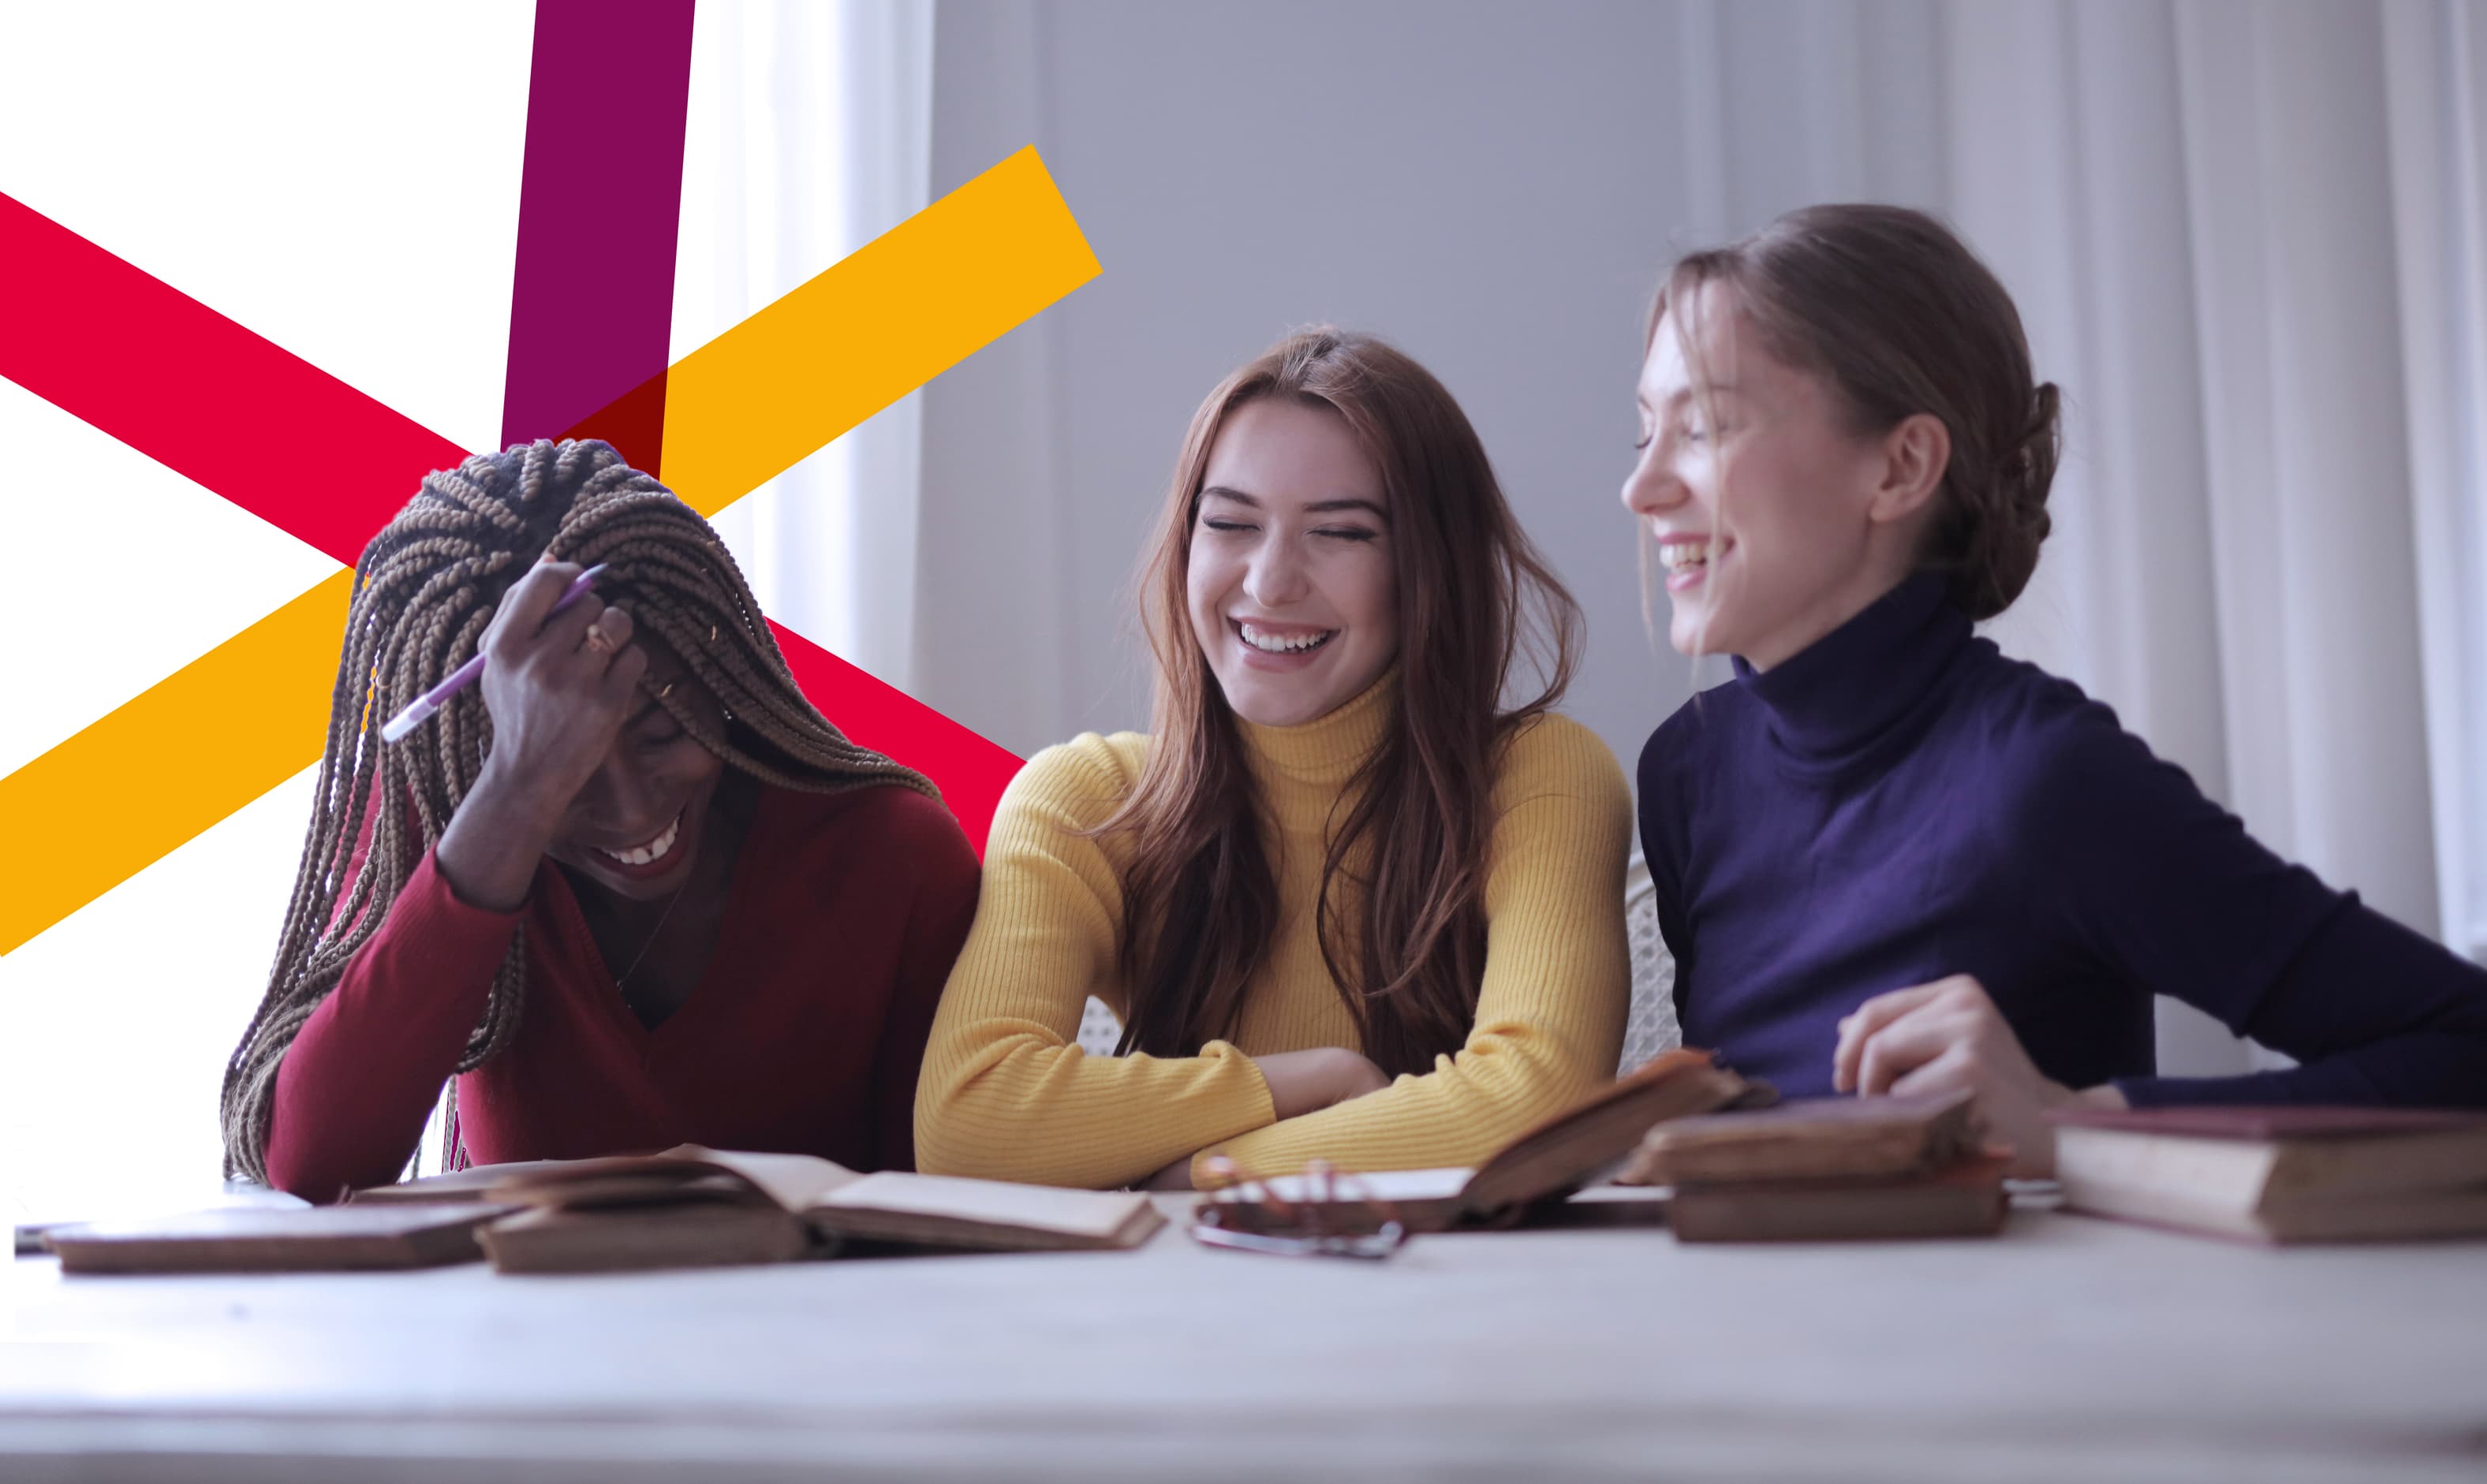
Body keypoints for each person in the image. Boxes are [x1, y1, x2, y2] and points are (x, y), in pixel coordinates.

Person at [1624, 203, 2487, 1175]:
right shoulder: (1689, 770)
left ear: (1901, 465)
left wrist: (2076, 1121)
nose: (1642, 488)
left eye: (1702, 429)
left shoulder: (2043, 781)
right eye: (1646, 432)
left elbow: (2465, 1044)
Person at [913, 327, 1632, 1189]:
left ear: (1427, 569)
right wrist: (1299, 1081)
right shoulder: (1089, 800)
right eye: (1230, 523)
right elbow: (968, 1127)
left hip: (1453, 1302)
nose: (1269, 581)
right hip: (1182, 1312)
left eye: (1340, 533)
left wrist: (1192, 1176)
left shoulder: (1538, 777)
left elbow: (1534, 1107)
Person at [220, 439, 980, 1202]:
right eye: (564, 762)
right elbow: (314, 1167)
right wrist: (514, 795)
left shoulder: (890, 855)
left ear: (719, 677)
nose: (630, 810)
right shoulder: (448, 830)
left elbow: (950, 1211)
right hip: (519, 1317)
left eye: (660, 734)